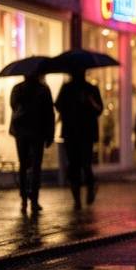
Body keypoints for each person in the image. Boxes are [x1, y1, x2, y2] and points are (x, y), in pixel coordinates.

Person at [56, 71, 103, 209]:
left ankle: (88, 189)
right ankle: (78, 197)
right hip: (73, 132)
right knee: (76, 165)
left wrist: (89, 101)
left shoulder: (90, 89)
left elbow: (98, 109)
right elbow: (59, 106)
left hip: (83, 133)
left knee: (83, 164)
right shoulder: (67, 88)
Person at [9, 73, 55, 213]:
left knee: (23, 165)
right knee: (36, 167)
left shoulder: (18, 89)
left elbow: (13, 106)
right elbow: (49, 113)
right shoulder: (43, 90)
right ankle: (34, 200)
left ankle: (24, 199)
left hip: (22, 132)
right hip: (37, 133)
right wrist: (50, 135)